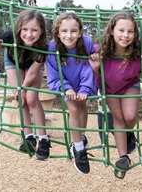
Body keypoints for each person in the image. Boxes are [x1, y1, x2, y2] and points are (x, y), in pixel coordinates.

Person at [89, 12, 142, 179]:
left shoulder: (138, 50)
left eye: (130, 31)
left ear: (135, 33)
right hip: (108, 87)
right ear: (112, 31)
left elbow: (141, 75)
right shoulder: (100, 50)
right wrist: (95, 66)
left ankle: (128, 133)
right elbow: (94, 73)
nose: (125, 35)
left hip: (129, 85)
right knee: (118, 119)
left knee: (130, 116)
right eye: (121, 30)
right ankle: (123, 157)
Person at [0, 9, 51, 161]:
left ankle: (43, 139)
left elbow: (32, 74)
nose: (29, 34)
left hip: (32, 67)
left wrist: (22, 88)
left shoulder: (43, 46)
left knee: (31, 98)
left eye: (34, 30)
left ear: (41, 30)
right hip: (13, 60)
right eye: (25, 29)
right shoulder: (10, 36)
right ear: (18, 29)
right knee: (19, 98)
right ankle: (28, 137)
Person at [46, 12, 96, 175]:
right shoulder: (53, 47)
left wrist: (84, 88)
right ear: (58, 33)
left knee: (83, 106)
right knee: (73, 110)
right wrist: (66, 88)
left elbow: (88, 67)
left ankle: (81, 135)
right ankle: (79, 149)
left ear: (80, 32)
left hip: (83, 82)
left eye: (74, 31)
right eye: (64, 31)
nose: (69, 35)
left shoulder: (86, 43)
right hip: (64, 82)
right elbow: (54, 72)